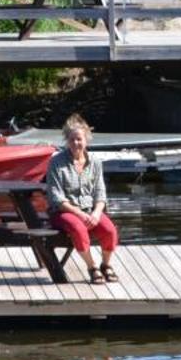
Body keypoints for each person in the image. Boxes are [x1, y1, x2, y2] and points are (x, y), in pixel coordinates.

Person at [44, 114, 120, 283]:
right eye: (72, 140)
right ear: (67, 141)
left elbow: (101, 194)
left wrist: (96, 213)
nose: (75, 143)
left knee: (109, 230)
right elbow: (57, 198)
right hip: (63, 211)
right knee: (78, 228)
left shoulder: (95, 163)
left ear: (86, 140)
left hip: (89, 210)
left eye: (79, 139)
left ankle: (105, 265)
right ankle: (92, 267)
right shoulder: (56, 162)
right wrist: (81, 215)